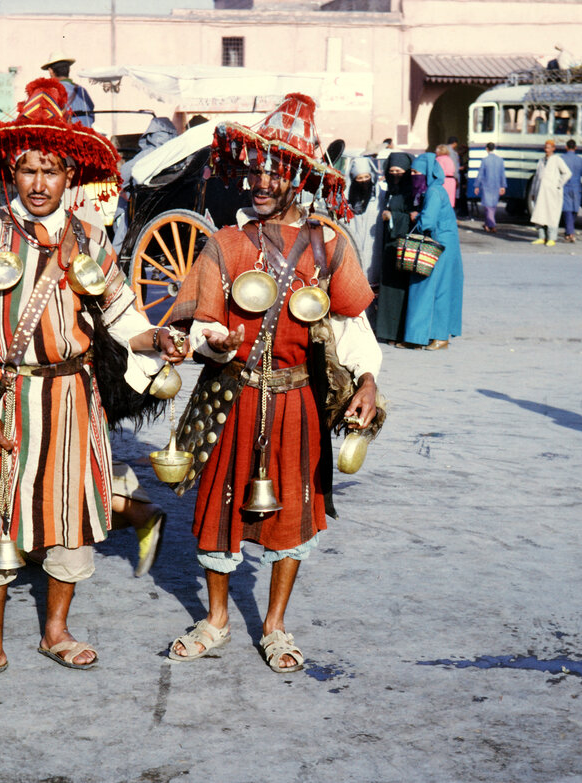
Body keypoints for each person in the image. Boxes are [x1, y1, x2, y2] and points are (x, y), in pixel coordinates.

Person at [0, 78, 173, 690]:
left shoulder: (90, 241)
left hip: (73, 401)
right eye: (28, 170)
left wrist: (158, 340)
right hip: (8, 401)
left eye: (51, 170)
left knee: (70, 515)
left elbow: (124, 319)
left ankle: (56, 632)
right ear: (10, 174)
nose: (39, 183)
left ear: (71, 176)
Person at [161, 93, 381, 673]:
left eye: (275, 171)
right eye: (255, 168)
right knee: (218, 511)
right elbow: (204, 321)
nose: (260, 180)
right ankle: (215, 620)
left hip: (298, 399)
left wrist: (367, 380)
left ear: (299, 178)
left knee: (294, 511)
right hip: (231, 396)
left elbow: (349, 321)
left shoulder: (329, 245)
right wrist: (214, 340)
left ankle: (276, 626)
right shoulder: (226, 244)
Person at [403, 152, 464, 351]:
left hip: (440, 246)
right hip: (442, 244)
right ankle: (426, 335)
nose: (413, 176)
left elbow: (427, 221)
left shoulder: (433, 192)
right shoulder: (434, 190)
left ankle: (437, 336)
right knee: (434, 288)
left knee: (435, 289)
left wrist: (415, 217)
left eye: (416, 172)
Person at [374, 151, 414, 344]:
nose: (395, 174)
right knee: (388, 288)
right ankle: (387, 332)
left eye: (399, 171)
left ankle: (398, 333)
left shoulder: (411, 191)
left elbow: (413, 218)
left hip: (403, 245)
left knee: (400, 289)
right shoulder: (390, 189)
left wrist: (393, 218)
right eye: (392, 171)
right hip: (389, 245)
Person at [345, 156, 385, 289]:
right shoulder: (348, 197)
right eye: (359, 178)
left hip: (374, 244)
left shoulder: (380, 195)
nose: (363, 181)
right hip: (355, 242)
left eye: (366, 177)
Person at [529, 139, 571, 246]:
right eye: (545, 147)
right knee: (540, 215)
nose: (546, 149)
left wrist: (558, 185)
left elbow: (567, 173)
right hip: (540, 192)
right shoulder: (541, 161)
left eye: (548, 147)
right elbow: (536, 178)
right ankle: (541, 237)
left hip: (552, 193)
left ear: (553, 149)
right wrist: (533, 192)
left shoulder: (557, 159)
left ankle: (552, 238)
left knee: (552, 215)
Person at [43, 52, 95, 127]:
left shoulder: (50, 92)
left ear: (51, 71)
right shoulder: (82, 91)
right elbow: (91, 117)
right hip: (86, 135)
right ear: (69, 69)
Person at [560, 140, 582, 242]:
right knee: (574, 210)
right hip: (577, 189)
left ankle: (570, 232)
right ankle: (569, 232)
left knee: (567, 210)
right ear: (576, 148)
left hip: (565, 187)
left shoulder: (561, 159)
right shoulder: (580, 160)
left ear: (566, 147)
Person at [474, 142, 507, 233]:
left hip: (486, 185)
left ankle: (491, 225)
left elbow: (480, 174)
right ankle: (488, 224)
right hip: (496, 185)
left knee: (487, 207)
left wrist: (477, 185)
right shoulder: (500, 160)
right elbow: (502, 174)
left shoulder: (485, 160)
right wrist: (503, 186)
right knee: (493, 206)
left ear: (487, 149)